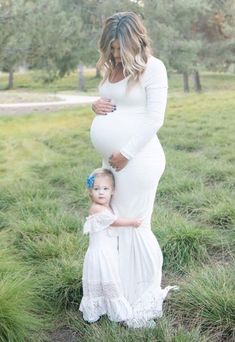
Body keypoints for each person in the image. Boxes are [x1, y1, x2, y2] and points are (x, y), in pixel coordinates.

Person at [90, 12, 178, 328]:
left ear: (137, 41)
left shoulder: (154, 69)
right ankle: (118, 294)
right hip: (113, 163)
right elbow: (109, 102)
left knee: (135, 225)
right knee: (113, 226)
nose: (115, 55)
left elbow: (155, 118)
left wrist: (126, 153)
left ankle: (142, 299)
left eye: (119, 49)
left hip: (137, 161)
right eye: (111, 49)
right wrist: (94, 106)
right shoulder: (114, 67)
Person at [79, 168, 142, 323]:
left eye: (105, 188)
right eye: (96, 189)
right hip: (100, 254)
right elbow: (114, 221)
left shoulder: (109, 206)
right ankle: (105, 311)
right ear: (90, 192)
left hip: (108, 252)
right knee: (106, 279)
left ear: (113, 190)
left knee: (107, 278)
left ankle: (107, 307)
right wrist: (132, 222)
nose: (101, 192)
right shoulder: (96, 208)